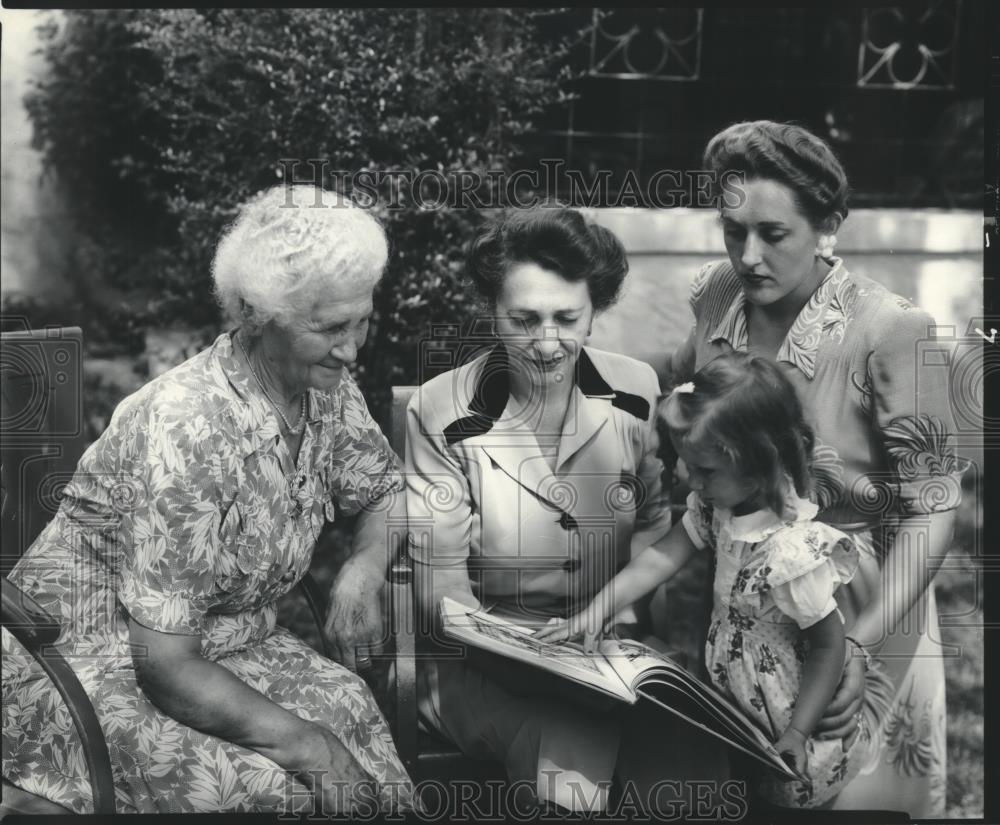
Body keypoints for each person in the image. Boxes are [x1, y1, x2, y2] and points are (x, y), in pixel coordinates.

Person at [1, 185, 416, 815]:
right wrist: (309, 747)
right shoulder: (186, 426)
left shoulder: (327, 387)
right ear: (254, 314)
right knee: (288, 785)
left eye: (361, 320)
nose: (352, 348)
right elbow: (163, 663)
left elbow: (388, 491)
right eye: (328, 327)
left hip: (225, 641)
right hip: (89, 657)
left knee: (354, 716)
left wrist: (362, 569)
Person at [664, 120, 969, 815]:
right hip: (742, 602)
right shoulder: (717, 294)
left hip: (859, 601)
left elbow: (934, 505)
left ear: (828, 225)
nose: (747, 255)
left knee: (848, 796)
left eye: (774, 234)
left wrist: (858, 647)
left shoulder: (891, 329)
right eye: (731, 229)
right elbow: (689, 391)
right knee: (751, 789)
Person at [403, 206, 737, 814]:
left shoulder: (636, 391)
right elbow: (442, 586)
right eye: (523, 319)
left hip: (610, 649)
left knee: (691, 754)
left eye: (568, 318)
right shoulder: (438, 411)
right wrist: (523, 656)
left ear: (596, 309)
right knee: (573, 745)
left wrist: (629, 628)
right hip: (482, 668)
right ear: (491, 310)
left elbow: (652, 526)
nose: (547, 343)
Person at [538, 351, 883, 808]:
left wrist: (799, 733)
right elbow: (661, 557)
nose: (688, 480)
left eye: (704, 471)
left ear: (760, 462)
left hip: (794, 728)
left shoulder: (792, 552)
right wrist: (594, 612)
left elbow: (827, 645)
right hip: (741, 711)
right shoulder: (719, 508)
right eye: (686, 464)